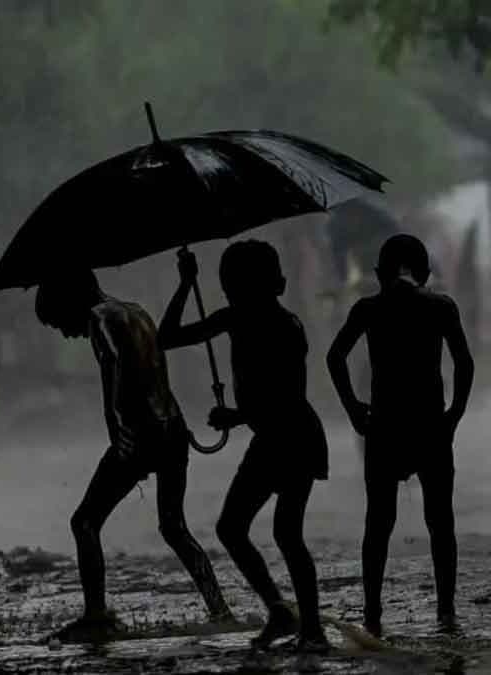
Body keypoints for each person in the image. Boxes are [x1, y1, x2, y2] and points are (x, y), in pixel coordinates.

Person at [33, 269, 233, 643]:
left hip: (140, 433)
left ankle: (96, 614)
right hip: (173, 427)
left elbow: (122, 372)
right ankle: (220, 609)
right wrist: (185, 286)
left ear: (70, 302)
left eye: (60, 322)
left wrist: (121, 428)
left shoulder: (99, 318)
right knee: (174, 527)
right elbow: (159, 361)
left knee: (85, 522)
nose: (64, 332)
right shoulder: (136, 311)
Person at [159, 242, 330, 653]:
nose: (236, 294)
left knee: (284, 534)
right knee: (236, 528)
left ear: (273, 286)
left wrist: (237, 415)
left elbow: (287, 397)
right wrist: (185, 284)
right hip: (273, 438)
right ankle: (284, 613)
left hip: (292, 437)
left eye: (238, 285)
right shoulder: (234, 318)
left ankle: (310, 629)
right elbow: (166, 338)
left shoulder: (285, 327)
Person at [327, 233, 474, 637]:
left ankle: (372, 614)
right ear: (425, 273)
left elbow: (334, 356)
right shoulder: (441, 306)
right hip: (430, 426)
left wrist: (354, 409)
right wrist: (455, 413)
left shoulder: (369, 309)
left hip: (384, 427)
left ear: (379, 274)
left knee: (378, 523)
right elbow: (464, 362)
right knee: (440, 522)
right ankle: (446, 612)